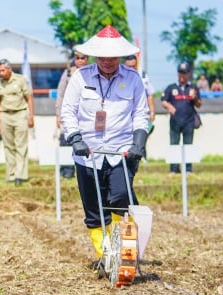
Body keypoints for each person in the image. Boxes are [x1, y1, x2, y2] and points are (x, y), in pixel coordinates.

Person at [60, 25, 149, 264]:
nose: (107, 61)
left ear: (120, 56)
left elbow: (141, 113)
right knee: (93, 209)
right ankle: (106, 256)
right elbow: (68, 111)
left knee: (121, 197)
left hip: (120, 152)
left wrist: (139, 142)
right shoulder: (81, 76)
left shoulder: (132, 79)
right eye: (102, 57)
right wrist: (75, 138)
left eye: (112, 57)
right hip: (87, 152)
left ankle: (127, 248)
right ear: (95, 56)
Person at [0, 58, 34, 186]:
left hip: (20, 113)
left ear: (9, 69)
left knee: (21, 145)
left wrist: (31, 116)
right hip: (5, 115)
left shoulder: (20, 80)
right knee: (8, 146)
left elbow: (29, 98)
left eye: (3, 70)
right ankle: (11, 175)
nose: (1, 73)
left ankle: (20, 175)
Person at [161, 62, 202, 174]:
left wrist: (195, 98)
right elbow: (163, 101)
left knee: (188, 144)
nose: (182, 75)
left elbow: (199, 104)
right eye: (180, 72)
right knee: (174, 144)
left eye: (184, 72)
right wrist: (169, 106)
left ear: (188, 73)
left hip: (189, 121)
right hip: (175, 121)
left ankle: (188, 169)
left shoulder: (193, 88)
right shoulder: (171, 87)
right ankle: (174, 169)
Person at [55, 50, 89, 178]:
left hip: (86, 115)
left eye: (83, 57)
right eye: (77, 58)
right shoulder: (68, 73)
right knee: (66, 139)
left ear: (87, 59)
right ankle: (66, 171)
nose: (80, 60)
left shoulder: (92, 73)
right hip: (69, 113)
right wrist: (58, 114)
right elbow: (60, 94)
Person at [124, 54, 156, 134]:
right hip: (125, 116)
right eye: (129, 66)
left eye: (133, 66)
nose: (131, 69)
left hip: (141, 114)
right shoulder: (119, 75)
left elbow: (150, 94)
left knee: (140, 141)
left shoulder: (143, 76)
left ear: (137, 64)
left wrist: (152, 112)